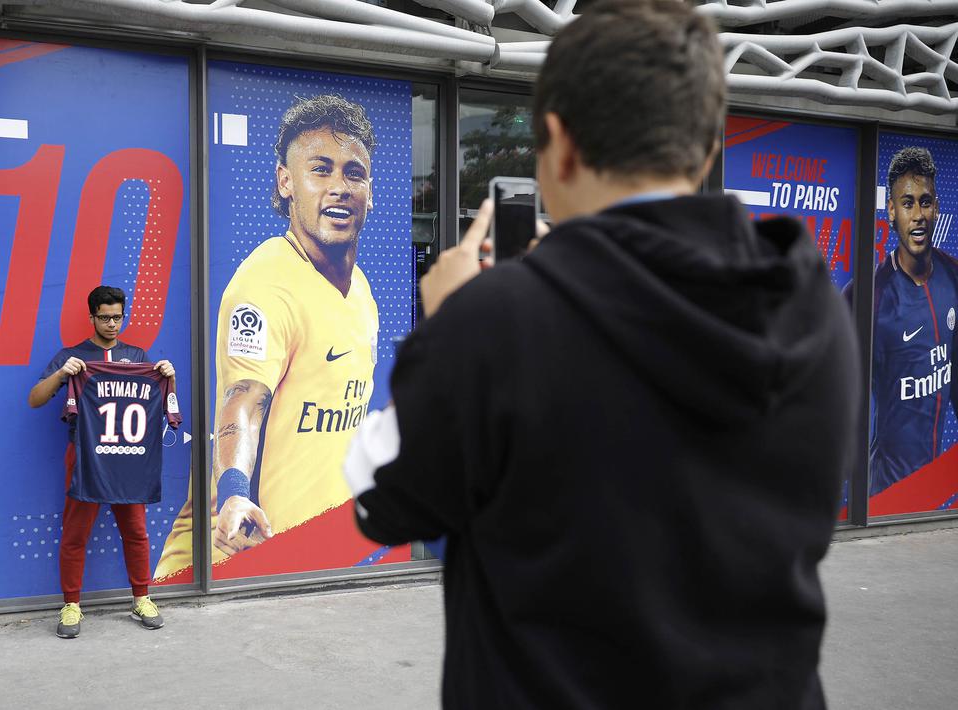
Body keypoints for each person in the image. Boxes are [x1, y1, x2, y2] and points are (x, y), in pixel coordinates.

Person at [344, 1, 859, 707]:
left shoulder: (498, 323)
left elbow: (381, 496)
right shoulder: (811, 305)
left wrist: (447, 323)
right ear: (706, 148)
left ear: (557, 143)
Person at [155, 94, 380, 577]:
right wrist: (234, 490)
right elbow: (244, 399)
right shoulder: (265, 285)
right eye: (320, 170)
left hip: (315, 551)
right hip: (235, 558)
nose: (339, 187)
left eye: (353, 173)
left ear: (369, 189)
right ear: (286, 182)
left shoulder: (360, 291)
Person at [29, 285, 176, 639]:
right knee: (76, 532)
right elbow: (35, 399)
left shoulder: (137, 355)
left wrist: (168, 376)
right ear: (92, 316)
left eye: (118, 317)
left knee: (136, 531)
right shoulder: (73, 355)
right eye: (106, 317)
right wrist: (63, 373)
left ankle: (141, 597)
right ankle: (71, 604)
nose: (113, 324)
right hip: (85, 456)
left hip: (127, 458)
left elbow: (158, 401)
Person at [868, 146, 956, 495]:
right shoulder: (870, 296)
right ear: (891, 211)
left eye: (925, 201)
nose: (917, 214)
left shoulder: (953, 277)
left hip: (938, 489)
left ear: (936, 208)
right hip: (887, 494)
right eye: (907, 204)